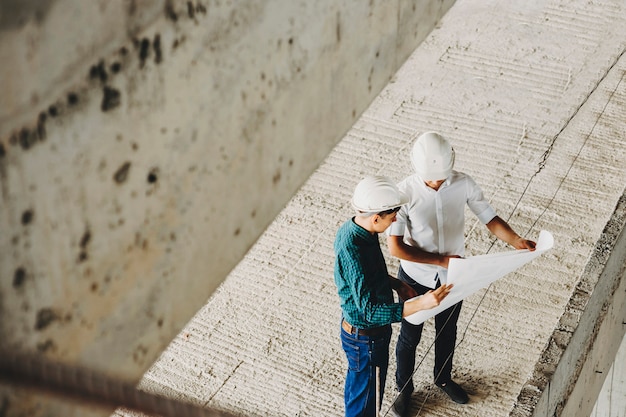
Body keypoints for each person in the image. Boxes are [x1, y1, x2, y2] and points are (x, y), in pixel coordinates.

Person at [386, 132, 536, 415]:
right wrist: (441, 260)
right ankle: (404, 389)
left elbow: (489, 218)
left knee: (447, 331)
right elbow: (396, 248)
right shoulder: (403, 193)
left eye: (442, 177)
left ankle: (443, 378)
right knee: (409, 336)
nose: (438, 182)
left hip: (454, 276)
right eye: (432, 179)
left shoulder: (463, 183)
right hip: (415, 278)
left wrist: (516, 240)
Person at [334, 175, 453, 417]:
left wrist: (397, 284)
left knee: (360, 391)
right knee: (366, 405)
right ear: (376, 217)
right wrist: (420, 304)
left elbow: (370, 273)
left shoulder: (360, 230)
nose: (396, 219)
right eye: (392, 216)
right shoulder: (353, 248)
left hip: (364, 338)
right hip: (366, 340)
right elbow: (370, 312)